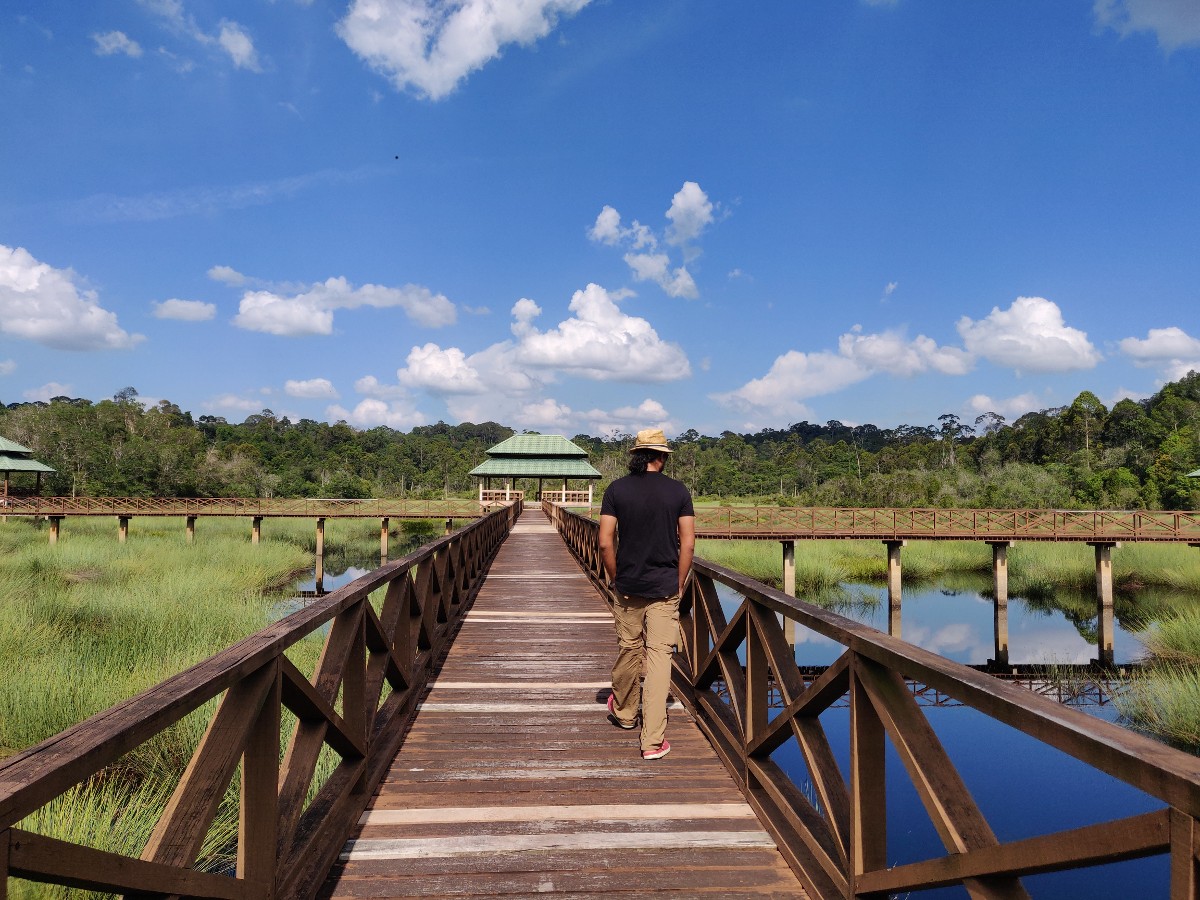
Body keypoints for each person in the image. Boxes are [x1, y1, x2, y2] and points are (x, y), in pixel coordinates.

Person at [598, 428, 695, 760]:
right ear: (662, 457)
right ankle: (652, 742)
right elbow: (688, 543)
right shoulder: (678, 491)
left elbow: (605, 541)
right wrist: (679, 581)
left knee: (628, 648)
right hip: (664, 587)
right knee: (658, 659)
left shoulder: (616, 490)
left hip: (627, 586)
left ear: (637, 456)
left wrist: (615, 576)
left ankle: (625, 714)